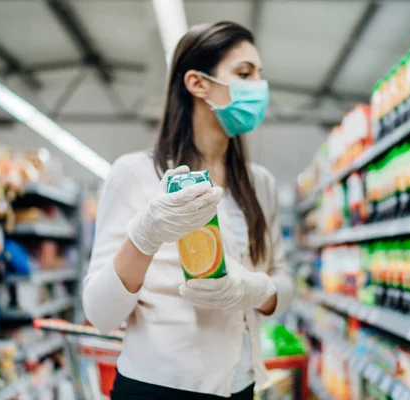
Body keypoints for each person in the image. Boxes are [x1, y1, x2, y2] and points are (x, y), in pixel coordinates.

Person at [83, 21, 294, 399]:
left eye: (260, 76)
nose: (259, 88)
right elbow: (101, 314)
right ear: (198, 83)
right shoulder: (133, 174)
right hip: (156, 387)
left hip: (241, 384)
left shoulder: (259, 184)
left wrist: (256, 289)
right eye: (245, 74)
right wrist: (145, 235)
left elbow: (283, 283)